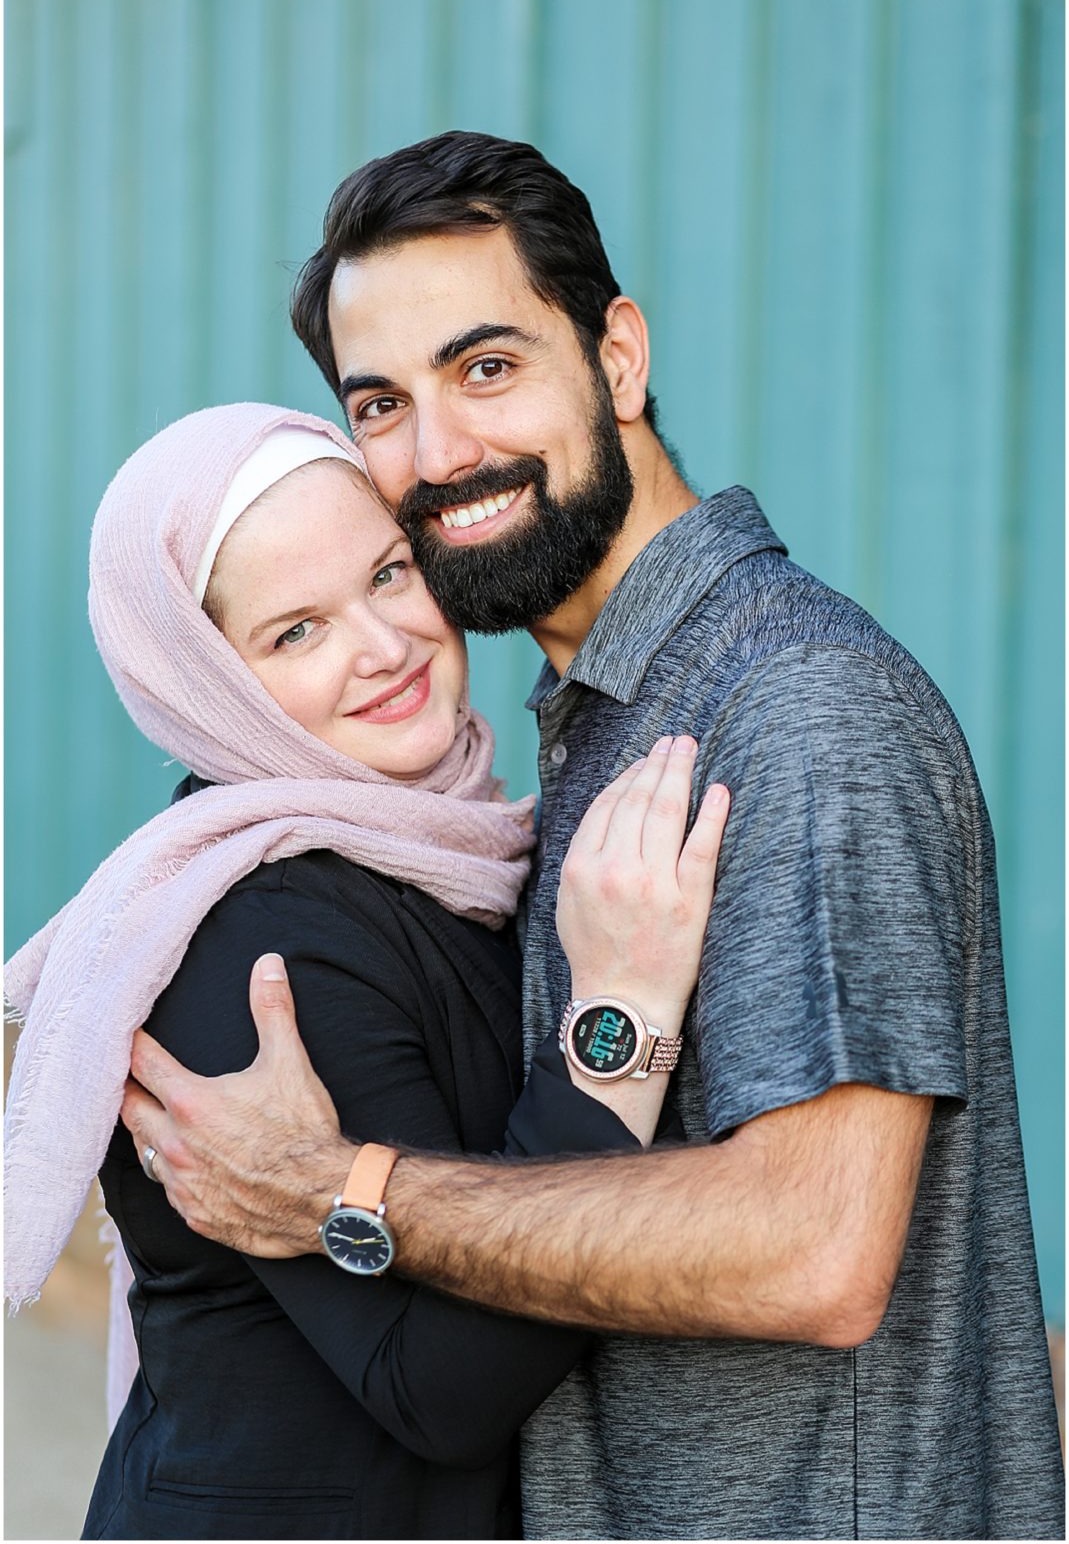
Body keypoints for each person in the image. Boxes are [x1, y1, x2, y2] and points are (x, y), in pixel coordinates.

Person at [122, 134, 1064, 1540]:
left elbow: (814, 1249)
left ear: (616, 359)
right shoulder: (592, 723)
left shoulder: (792, 711)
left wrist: (338, 1191)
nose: (441, 453)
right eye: (383, 402)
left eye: (487, 366)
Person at [3, 402, 729, 1541]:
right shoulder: (254, 941)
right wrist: (620, 1016)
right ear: (206, 683)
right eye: (295, 631)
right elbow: (437, 1383)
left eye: (390, 572)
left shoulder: (458, 847)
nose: (384, 646)